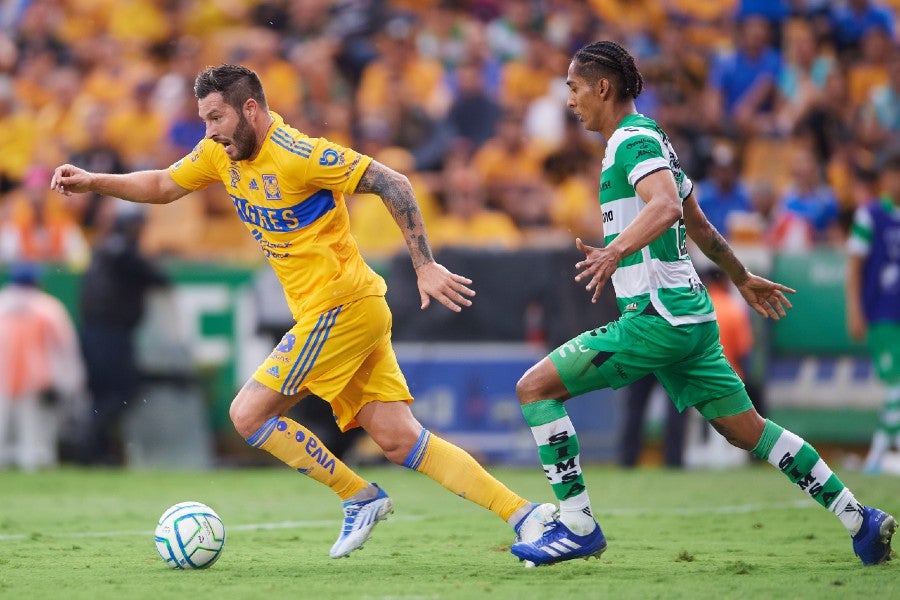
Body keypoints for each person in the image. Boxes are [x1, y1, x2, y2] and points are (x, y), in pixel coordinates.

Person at [50, 64, 554, 559]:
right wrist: (95, 182)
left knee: (247, 415)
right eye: (204, 120)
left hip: (341, 307)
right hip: (349, 311)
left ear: (250, 109)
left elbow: (393, 182)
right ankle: (525, 514)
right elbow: (163, 185)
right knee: (400, 440)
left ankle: (359, 496)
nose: (210, 132)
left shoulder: (299, 154)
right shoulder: (220, 156)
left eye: (217, 118)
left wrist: (424, 265)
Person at [509, 40, 896, 567]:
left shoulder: (631, 140)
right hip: (690, 318)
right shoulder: (652, 140)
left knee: (535, 388)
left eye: (574, 87)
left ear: (602, 87)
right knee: (750, 431)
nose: (570, 99)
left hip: (656, 319)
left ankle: (577, 524)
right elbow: (702, 226)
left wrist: (615, 250)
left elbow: (668, 207)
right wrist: (741, 277)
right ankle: (861, 519)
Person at [76, 204, 169, 465]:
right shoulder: (121, 252)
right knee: (123, 390)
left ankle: (97, 451)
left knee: (103, 393)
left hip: (97, 332)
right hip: (110, 334)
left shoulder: (104, 249)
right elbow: (157, 277)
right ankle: (87, 445)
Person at [0, 262, 86, 471]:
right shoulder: (48, 308)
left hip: (5, 380)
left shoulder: (3, 305)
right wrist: (72, 382)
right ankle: (35, 468)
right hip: (38, 380)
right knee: (36, 436)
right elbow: (65, 348)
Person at [846, 149, 900, 474]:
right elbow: (854, 266)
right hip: (882, 315)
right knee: (897, 384)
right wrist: (854, 310)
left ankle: (878, 455)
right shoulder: (870, 216)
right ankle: (877, 454)